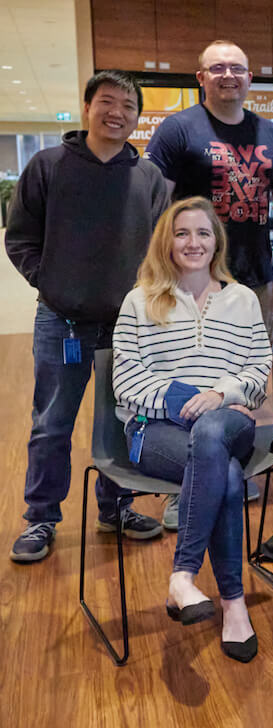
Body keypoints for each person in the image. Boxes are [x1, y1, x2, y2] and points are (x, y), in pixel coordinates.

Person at [7, 70, 169, 563]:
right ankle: (40, 517)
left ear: (137, 118)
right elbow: (21, 237)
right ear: (87, 107)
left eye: (128, 106)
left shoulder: (148, 177)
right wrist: (51, 283)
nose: (117, 112)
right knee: (52, 424)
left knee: (125, 421)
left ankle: (116, 508)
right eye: (107, 102)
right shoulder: (48, 165)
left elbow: (162, 249)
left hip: (130, 327)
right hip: (63, 321)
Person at [112, 197, 271, 663]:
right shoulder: (139, 300)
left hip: (229, 422)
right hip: (154, 430)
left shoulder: (243, 299)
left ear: (216, 242)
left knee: (213, 433)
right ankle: (233, 603)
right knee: (226, 474)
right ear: (167, 242)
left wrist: (221, 396)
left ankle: (183, 576)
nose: (193, 242)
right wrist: (191, 402)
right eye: (182, 233)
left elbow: (258, 370)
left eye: (203, 233)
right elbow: (126, 379)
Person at [145, 40, 273, 346]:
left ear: (249, 78)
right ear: (201, 77)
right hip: (192, 280)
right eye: (217, 68)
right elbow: (155, 210)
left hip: (258, 280)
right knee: (196, 363)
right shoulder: (177, 129)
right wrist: (160, 274)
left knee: (256, 365)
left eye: (237, 68)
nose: (228, 75)